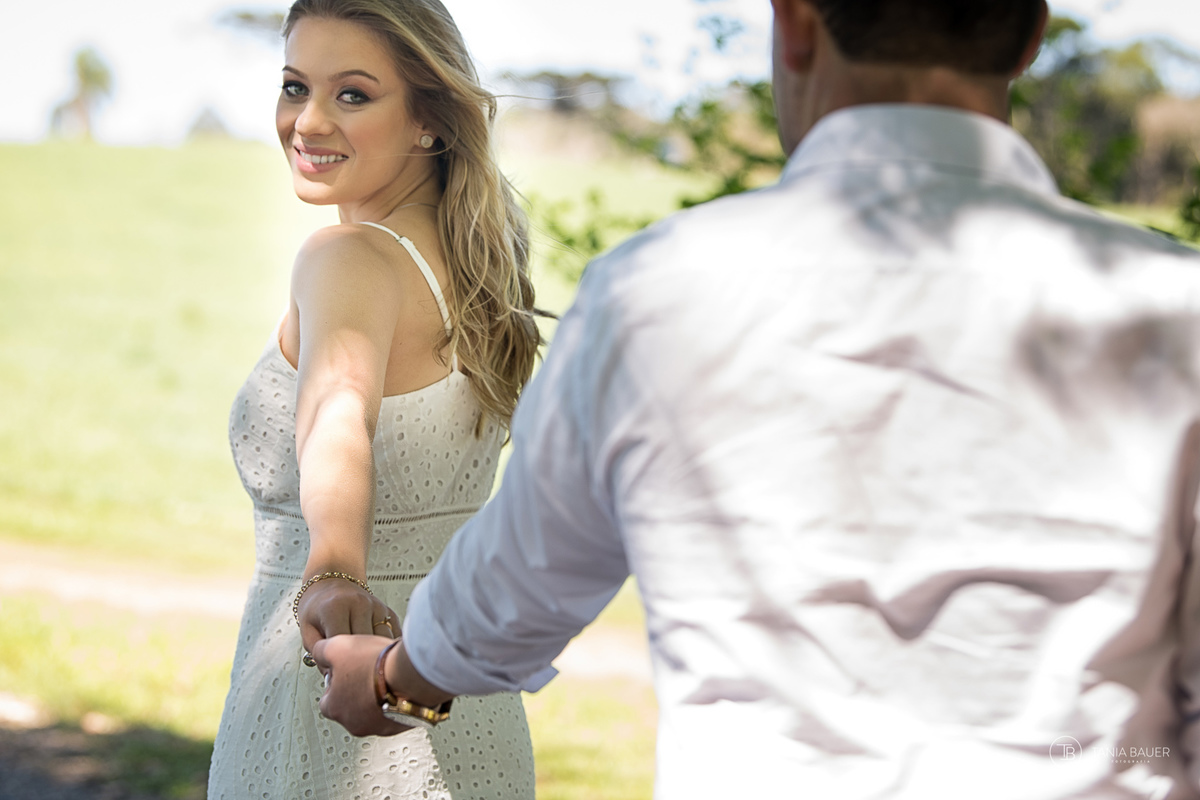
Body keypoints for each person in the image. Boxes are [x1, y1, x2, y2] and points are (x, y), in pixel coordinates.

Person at [315, 0, 1200, 797]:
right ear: (1031, 36)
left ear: (797, 25)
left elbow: (520, 584)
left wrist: (395, 677)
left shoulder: (659, 292)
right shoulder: (1177, 308)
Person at [206, 1, 542, 797]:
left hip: (341, 683)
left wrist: (331, 574)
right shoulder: (472, 277)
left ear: (430, 118)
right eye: (295, 86)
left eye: (352, 94)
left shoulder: (349, 255)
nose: (308, 120)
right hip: (458, 693)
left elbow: (338, 418)